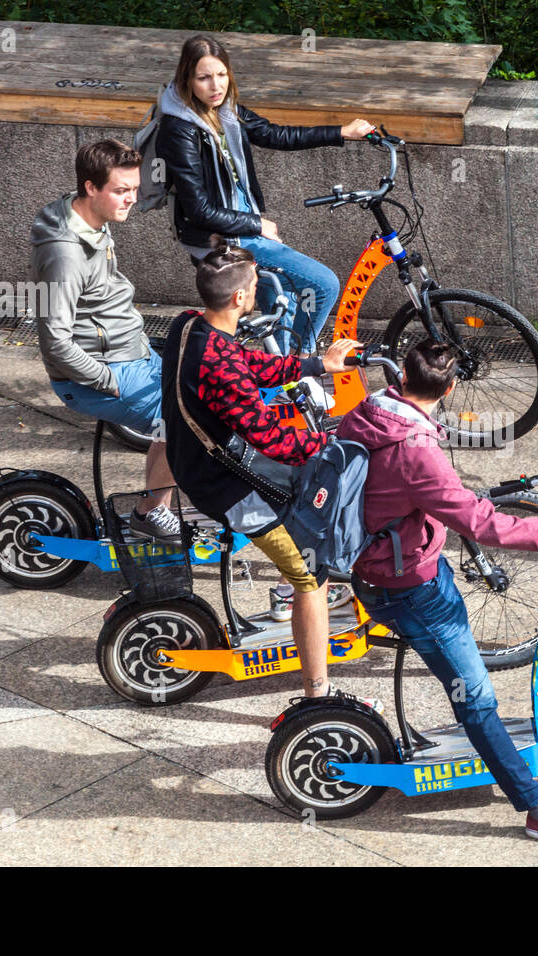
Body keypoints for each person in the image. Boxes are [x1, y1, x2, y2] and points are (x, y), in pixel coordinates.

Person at [338, 341, 538, 848]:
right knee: (477, 699)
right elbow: (480, 524)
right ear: (451, 387)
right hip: (410, 588)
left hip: (381, 564)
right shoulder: (415, 451)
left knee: (471, 688)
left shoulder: (371, 411)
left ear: (401, 378)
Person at [160, 237, 369, 705]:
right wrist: (328, 442)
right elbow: (271, 438)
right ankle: (318, 693)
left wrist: (318, 363)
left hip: (196, 458)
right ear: (239, 298)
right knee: (307, 576)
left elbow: (248, 364)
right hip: (226, 484)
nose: (257, 290)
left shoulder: (188, 326)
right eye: (254, 284)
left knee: (311, 499)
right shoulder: (218, 363)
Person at [156, 34, 376, 355]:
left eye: (221, 75)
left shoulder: (227, 112)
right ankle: (299, 365)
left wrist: (341, 132)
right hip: (223, 239)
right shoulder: (179, 131)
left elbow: (275, 134)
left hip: (244, 230)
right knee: (324, 284)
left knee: (279, 309)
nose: (215, 85)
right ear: (187, 79)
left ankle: (283, 379)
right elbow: (199, 209)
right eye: (204, 78)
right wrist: (256, 224)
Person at [30, 139, 178, 539]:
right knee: (191, 420)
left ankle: (157, 504)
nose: (132, 199)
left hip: (131, 352)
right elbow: (55, 341)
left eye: (134, 189)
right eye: (121, 190)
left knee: (195, 398)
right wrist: (108, 381)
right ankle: (149, 513)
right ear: (90, 188)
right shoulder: (65, 255)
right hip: (103, 372)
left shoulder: (90, 218)